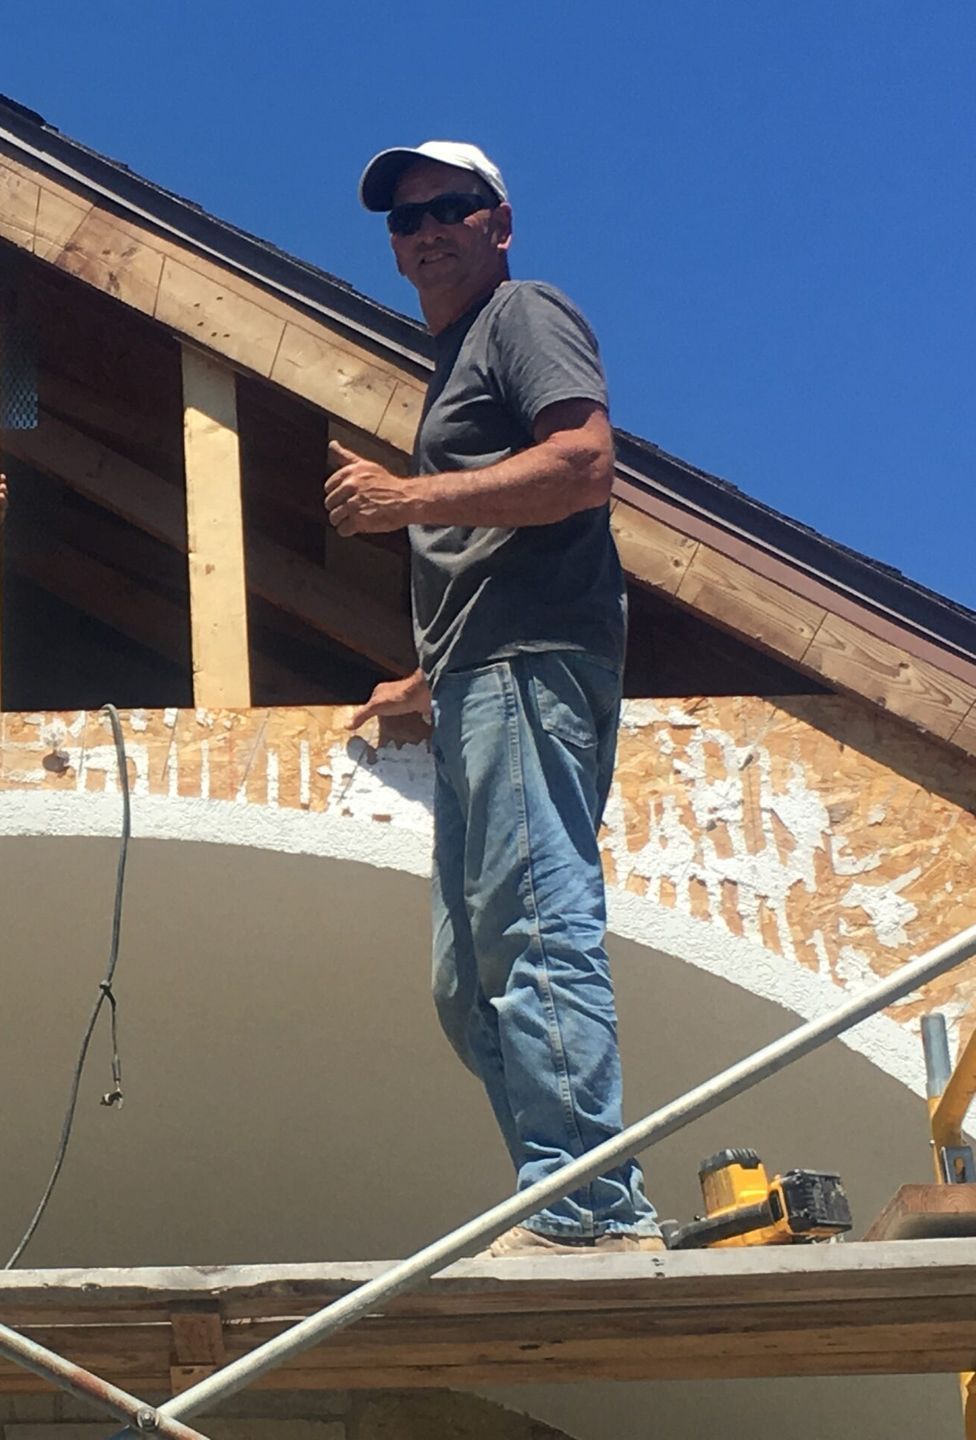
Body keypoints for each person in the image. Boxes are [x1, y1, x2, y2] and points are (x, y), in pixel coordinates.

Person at [330, 141, 663, 1255]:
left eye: (448, 208)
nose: (422, 229)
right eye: (404, 218)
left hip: (527, 668)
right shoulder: (457, 352)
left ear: (499, 220)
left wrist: (403, 496)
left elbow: (583, 465)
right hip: (484, 673)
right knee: (462, 981)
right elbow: (500, 542)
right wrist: (431, 674)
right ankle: (561, 1187)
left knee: (533, 929)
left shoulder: (525, 314)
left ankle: (589, 1204)